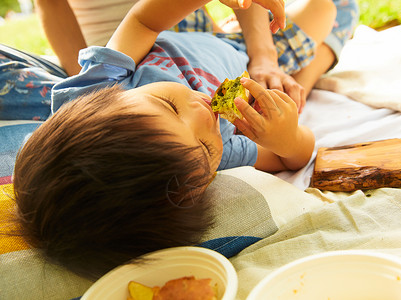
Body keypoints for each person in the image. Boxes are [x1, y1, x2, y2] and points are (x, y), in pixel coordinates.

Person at [13, 0, 322, 280]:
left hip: (181, 26)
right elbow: (289, 158)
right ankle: (300, 85)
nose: (204, 118)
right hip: (245, 56)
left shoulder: (101, 84)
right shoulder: (215, 157)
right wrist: (285, 136)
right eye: (203, 147)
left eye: (169, 107)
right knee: (329, 8)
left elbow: (144, 21)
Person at [34, 0, 358, 108]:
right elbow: (291, 153)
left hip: (193, 43)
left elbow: (145, 21)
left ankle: (291, 88)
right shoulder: (217, 140)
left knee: (331, 7)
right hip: (128, 51)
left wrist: (264, 58)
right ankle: (291, 90)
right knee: (337, 7)